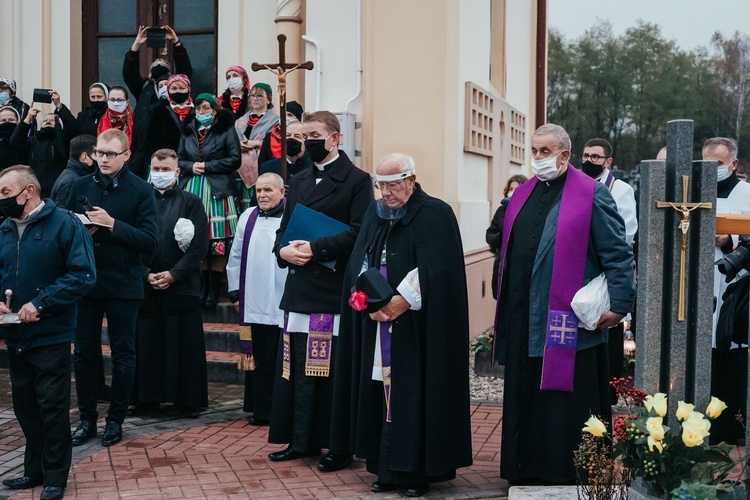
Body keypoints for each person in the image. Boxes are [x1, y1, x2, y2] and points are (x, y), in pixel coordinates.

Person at [494, 123, 635, 484]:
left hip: (567, 318)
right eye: (535, 151)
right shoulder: (522, 194)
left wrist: (620, 303)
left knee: (563, 403)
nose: (538, 158)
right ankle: (524, 466)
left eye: (546, 151)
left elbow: (617, 253)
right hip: (526, 316)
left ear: (565, 154)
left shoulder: (590, 194)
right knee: (527, 389)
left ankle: (566, 468)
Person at [329, 153, 473, 497]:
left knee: (412, 393)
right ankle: (384, 467)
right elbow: (360, 260)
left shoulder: (435, 213)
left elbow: (438, 268)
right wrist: (364, 300)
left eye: (393, 185)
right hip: (376, 323)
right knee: (380, 392)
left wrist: (400, 302)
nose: (386, 193)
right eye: (381, 185)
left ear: (411, 179)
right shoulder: (375, 213)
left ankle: (415, 473)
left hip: (416, 327)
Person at [267, 110, 374, 472]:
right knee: (297, 369)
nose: (306, 140)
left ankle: (337, 446)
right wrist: (282, 251)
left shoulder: (357, 181)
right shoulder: (297, 179)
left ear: (334, 138)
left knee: (328, 372)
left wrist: (316, 249)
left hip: (331, 289)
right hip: (299, 289)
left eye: (313, 134)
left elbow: (360, 232)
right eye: (302, 134)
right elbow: (284, 227)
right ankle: (300, 440)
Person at [0, 165, 96, 500]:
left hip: (51, 333)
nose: (2, 200)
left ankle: (55, 476)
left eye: (5, 193)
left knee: (52, 407)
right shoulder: (5, 229)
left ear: (28, 191)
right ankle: (34, 470)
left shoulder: (65, 224)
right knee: (26, 406)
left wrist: (41, 302)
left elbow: (83, 275)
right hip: (15, 335)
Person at [67, 128, 159, 448]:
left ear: (126, 156)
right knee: (84, 353)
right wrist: (81, 232)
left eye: (110, 154)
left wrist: (112, 224)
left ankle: (116, 420)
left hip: (123, 281)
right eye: (99, 153)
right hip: (85, 283)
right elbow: (63, 232)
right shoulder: (79, 185)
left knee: (123, 353)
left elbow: (150, 241)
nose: (103, 159)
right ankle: (87, 419)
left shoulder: (141, 190)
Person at [134, 149, 209, 417]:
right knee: (147, 343)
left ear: (177, 172)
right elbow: (131, 241)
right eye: (156, 169)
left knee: (184, 345)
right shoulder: (139, 201)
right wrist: (145, 273)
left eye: (166, 170)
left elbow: (199, 246)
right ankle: (146, 399)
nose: (160, 174)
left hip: (182, 285)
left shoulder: (192, 202)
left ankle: (187, 400)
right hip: (146, 284)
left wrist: (175, 274)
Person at [226, 173, 287, 426]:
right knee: (261, 356)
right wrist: (235, 293)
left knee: (281, 357)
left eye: (268, 190)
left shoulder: (291, 216)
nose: (262, 195)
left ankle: (282, 410)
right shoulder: (247, 217)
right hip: (255, 298)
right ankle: (261, 409)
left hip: (284, 299)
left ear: (282, 193)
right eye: (259, 190)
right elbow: (236, 255)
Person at [580, 138, 637, 401]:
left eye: (595, 157)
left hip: (605, 268)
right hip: (581, 265)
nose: (589, 161)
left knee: (607, 326)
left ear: (608, 161)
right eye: (585, 156)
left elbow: (624, 233)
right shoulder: (577, 185)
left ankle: (610, 388)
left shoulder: (621, 189)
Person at [704, 137, 750, 444]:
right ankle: (708, 429)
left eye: (717, 165)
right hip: (701, 281)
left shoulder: (747, 193)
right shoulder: (694, 190)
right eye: (706, 164)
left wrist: (728, 239)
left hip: (736, 284)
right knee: (704, 351)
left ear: (732, 164)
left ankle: (735, 431)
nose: (712, 170)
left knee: (732, 353)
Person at [177, 93, 241, 308]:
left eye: (206, 108)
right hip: (193, 187)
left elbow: (234, 159)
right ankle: (202, 285)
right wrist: (190, 167)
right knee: (198, 236)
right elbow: (179, 158)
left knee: (218, 239)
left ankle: (214, 287)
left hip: (217, 189)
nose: (202, 112)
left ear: (215, 110)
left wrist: (206, 166)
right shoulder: (188, 130)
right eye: (199, 108)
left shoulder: (226, 129)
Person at [123, 25, 192, 178]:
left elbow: (185, 70)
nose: (159, 66)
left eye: (163, 66)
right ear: (149, 74)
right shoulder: (144, 88)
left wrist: (175, 42)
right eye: (155, 66)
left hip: (175, 150)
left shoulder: (177, 91)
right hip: (144, 151)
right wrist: (137, 45)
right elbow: (129, 73)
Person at [10, 91, 74, 198]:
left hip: (59, 191)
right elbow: (15, 141)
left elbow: (72, 126)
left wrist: (58, 105)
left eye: (52, 120)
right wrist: (28, 118)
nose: (48, 122)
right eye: (45, 120)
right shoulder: (33, 142)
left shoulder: (64, 141)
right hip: (36, 192)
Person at [234, 83, 279, 211]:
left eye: (259, 95)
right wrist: (238, 145)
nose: (255, 98)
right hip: (240, 167)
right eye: (252, 95)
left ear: (269, 99)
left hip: (261, 162)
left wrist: (258, 143)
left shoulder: (276, 120)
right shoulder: (240, 121)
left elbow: (276, 141)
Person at [486, 174, 528, 299]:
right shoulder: (501, 211)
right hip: (502, 266)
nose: (512, 192)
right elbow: (489, 236)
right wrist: (503, 235)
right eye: (510, 189)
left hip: (521, 267)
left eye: (516, 189)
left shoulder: (528, 211)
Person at [146, 74, 194, 160]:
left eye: (182, 88)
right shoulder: (159, 111)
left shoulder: (198, 110)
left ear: (189, 89)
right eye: (174, 89)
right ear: (168, 91)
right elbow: (151, 139)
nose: (178, 91)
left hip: (194, 162)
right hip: (167, 160)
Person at [50, 134, 97, 208]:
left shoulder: (71, 175)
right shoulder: (71, 181)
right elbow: (63, 214)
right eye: (96, 153)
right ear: (84, 157)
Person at [0, 106, 27, 171]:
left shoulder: (26, 141)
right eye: (3, 120)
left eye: (11, 120)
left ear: (18, 121)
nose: (7, 122)